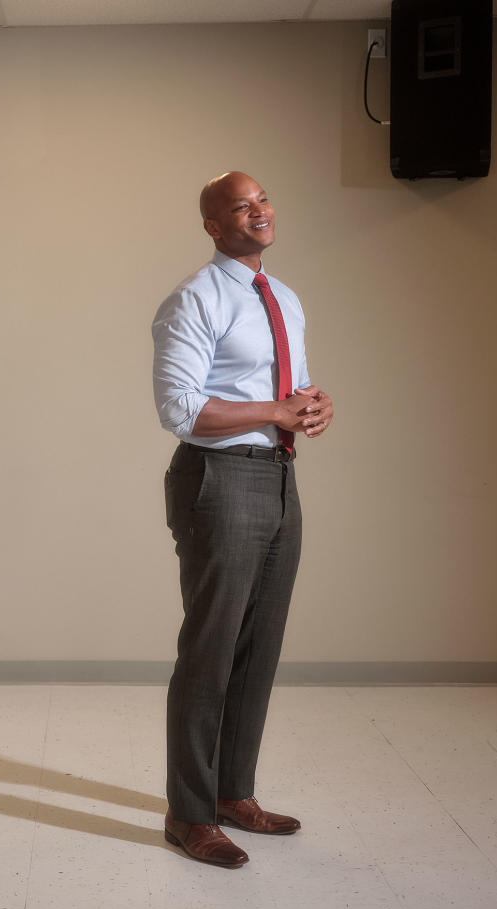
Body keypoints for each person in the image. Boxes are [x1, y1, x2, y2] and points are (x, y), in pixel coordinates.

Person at [151, 171, 333, 867]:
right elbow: (180, 409)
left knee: (259, 647)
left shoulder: (282, 297)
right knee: (211, 648)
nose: (258, 211)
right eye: (240, 205)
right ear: (214, 226)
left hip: (279, 477)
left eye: (262, 199)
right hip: (219, 480)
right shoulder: (194, 300)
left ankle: (232, 793)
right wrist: (274, 412)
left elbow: (290, 390)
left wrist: (313, 406)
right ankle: (188, 814)